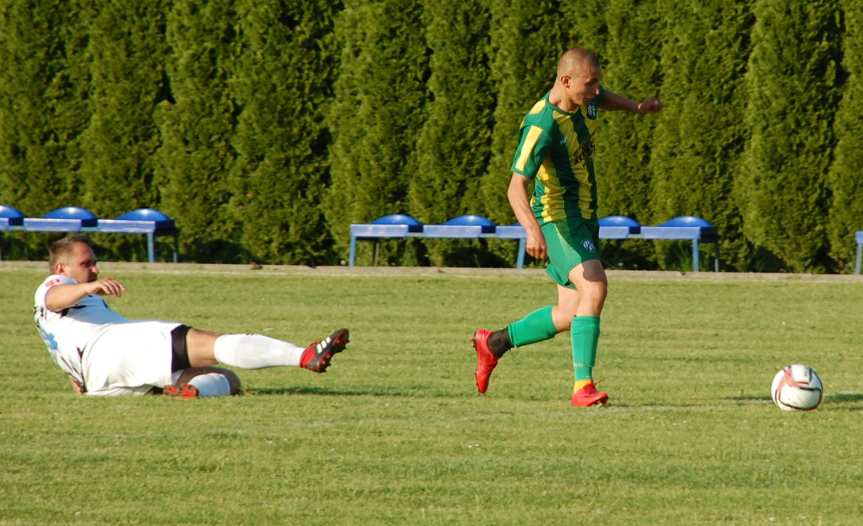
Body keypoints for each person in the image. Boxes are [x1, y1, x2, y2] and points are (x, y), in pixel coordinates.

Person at [472, 47, 662, 407]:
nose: (595, 91)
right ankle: (582, 386)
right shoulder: (541, 125)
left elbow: (602, 100)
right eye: (589, 84)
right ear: (565, 80)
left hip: (585, 217)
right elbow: (515, 186)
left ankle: (494, 342)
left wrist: (636, 108)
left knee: (570, 313)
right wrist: (531, 230)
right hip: (557, 219)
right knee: (595, 286)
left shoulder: (584, 101)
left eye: (596, 84)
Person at [34, 235, 350, 398]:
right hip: (120, 346)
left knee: (227, 379)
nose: (95, 268)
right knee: (213, 343)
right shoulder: (56, 285)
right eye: (87, 263)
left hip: (102, 380)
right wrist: (88, 286)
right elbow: (54, 297)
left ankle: (191, 392)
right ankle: (304, 356)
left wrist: (73, 375)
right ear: (61, 269)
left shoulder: (55, 320)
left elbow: (67, 348)